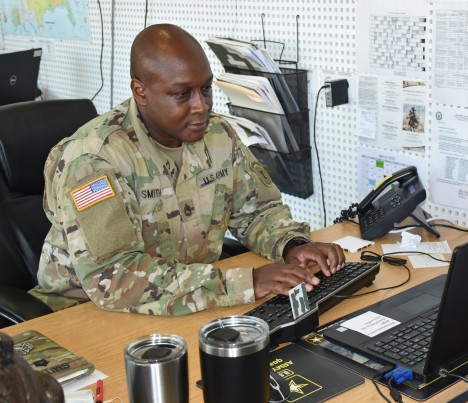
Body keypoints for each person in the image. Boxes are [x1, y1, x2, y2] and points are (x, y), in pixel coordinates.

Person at [30, 23, 345, 315]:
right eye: (182, 94)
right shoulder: (94, 160)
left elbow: (256, 211)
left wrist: (291, 245)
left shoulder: (217, 134)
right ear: (140, 91)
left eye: (205, 89)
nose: (202, 106)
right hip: (83, 312)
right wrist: (244, 283)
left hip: (187, 298)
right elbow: (114, 278)